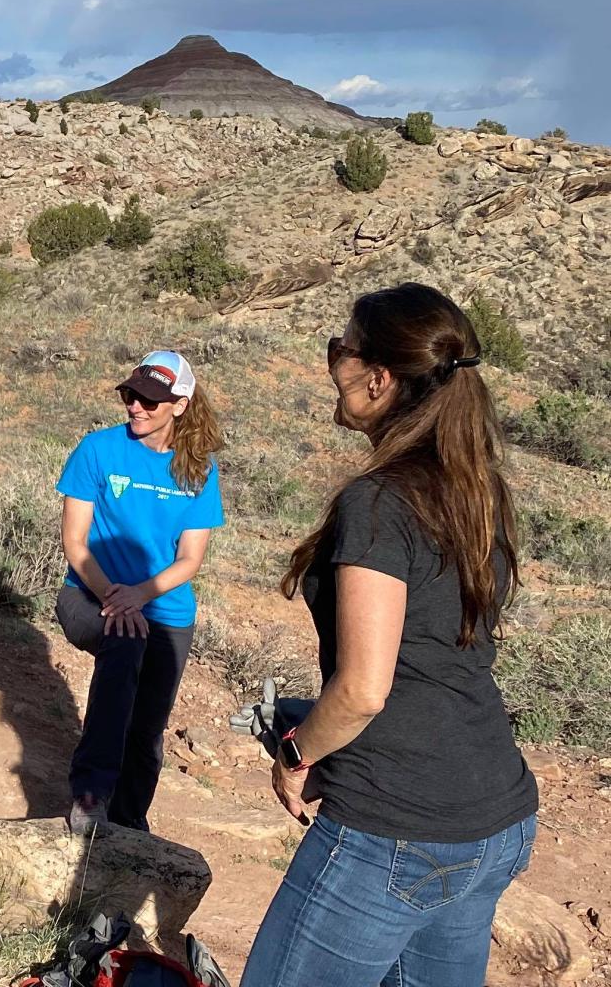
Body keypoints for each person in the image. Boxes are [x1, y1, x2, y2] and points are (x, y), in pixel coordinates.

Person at [241, 284, 538, 987]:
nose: (332, 363)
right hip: (495, 815)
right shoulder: (476, 488)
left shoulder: (378, 501)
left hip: (396, 827)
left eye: (339, 350)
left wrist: (294, 752)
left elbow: (364, 690)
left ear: (378, 379)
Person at [54, 351, 224, 834]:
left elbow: (190, 560)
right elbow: (75, 542)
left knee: (149, 724)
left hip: (167, 609)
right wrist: (114, 596)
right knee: (124, 642)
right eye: (131, 395)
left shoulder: (198, 469)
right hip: (87, 594)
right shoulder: (97, 450)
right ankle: (90, 792)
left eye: (151, 400)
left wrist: (139, 595)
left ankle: (129, 824)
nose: (136, 407)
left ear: (180, 404)